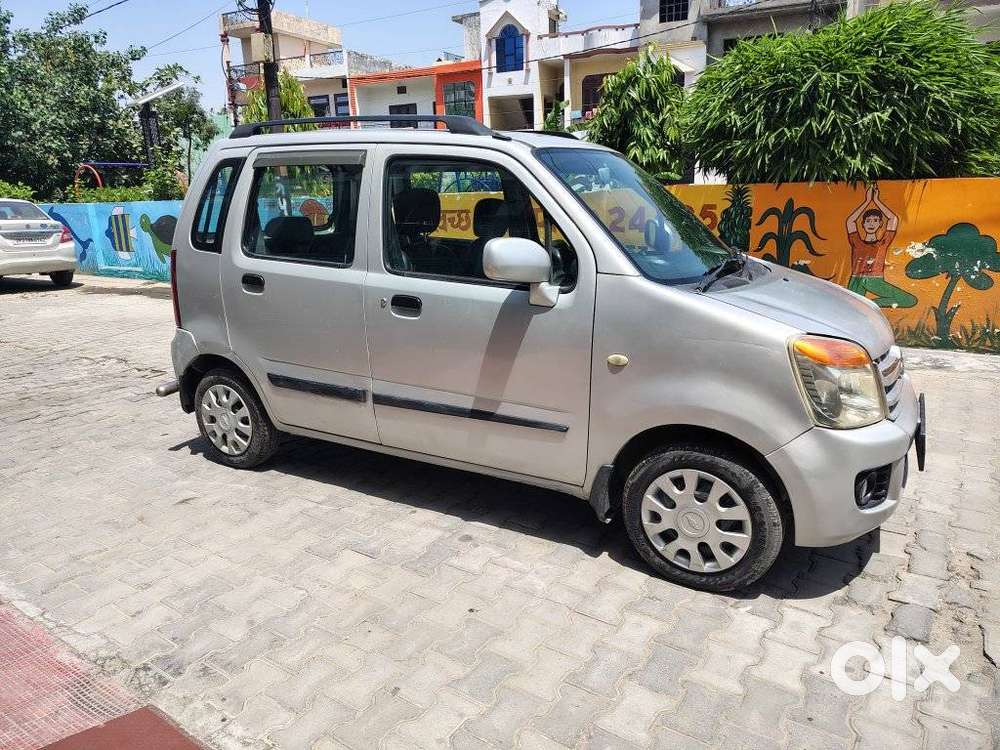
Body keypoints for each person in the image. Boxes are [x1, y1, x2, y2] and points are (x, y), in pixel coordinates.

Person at [845, 185, 916, 308]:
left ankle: (870, 305)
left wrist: (877, 201)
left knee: (910, 300)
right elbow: (850, 221)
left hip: (875, 280)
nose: (871, 223)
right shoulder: (856, 241)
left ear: (880, 224)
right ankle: (866, 308)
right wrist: (867, 201)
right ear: (863, 224)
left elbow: (893, 218)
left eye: (875, 220)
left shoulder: (883, 242)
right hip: (856, 279)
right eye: (868, 221)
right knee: (849, 309)